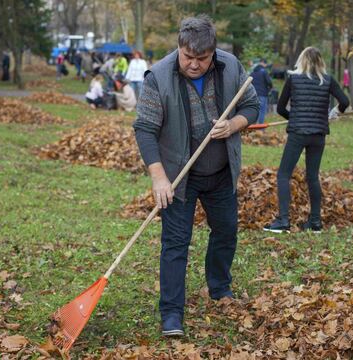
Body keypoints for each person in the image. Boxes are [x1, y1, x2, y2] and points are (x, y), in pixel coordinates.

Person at [133, 15, 259, 337]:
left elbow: (252, 105)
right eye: (188, 57)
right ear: (179, 47)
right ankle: (172, 313)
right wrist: (159, 177)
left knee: (227, 231)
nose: (194, 64)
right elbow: (145, 129)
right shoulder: (158, 77)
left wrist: (233, 125)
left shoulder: (230, 67)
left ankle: (219, 288)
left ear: (213, 54)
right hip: (179, 178)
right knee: (175, 243)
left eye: (202, 59)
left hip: (220, 172)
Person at [263, 47, 349, 234]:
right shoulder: (327, 80)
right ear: (320, 62)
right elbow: (345, 101)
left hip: (298, 133)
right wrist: (336, 112)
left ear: (302, 60)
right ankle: (315, 222)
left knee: (284, 174)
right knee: (312, 177)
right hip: (318, 135)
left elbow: (280, 108)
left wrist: (293, 118)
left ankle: (283, 220)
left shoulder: (293, 79)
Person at [250, 58, 273, 124]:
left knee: (255, 110)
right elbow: (269, 82)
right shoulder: (264, 71)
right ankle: (260, 128)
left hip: (253, 94)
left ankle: (253, 127)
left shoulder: (253, 72)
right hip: (263, 94)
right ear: (264, 63)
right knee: (262, 111)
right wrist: (270, 88)